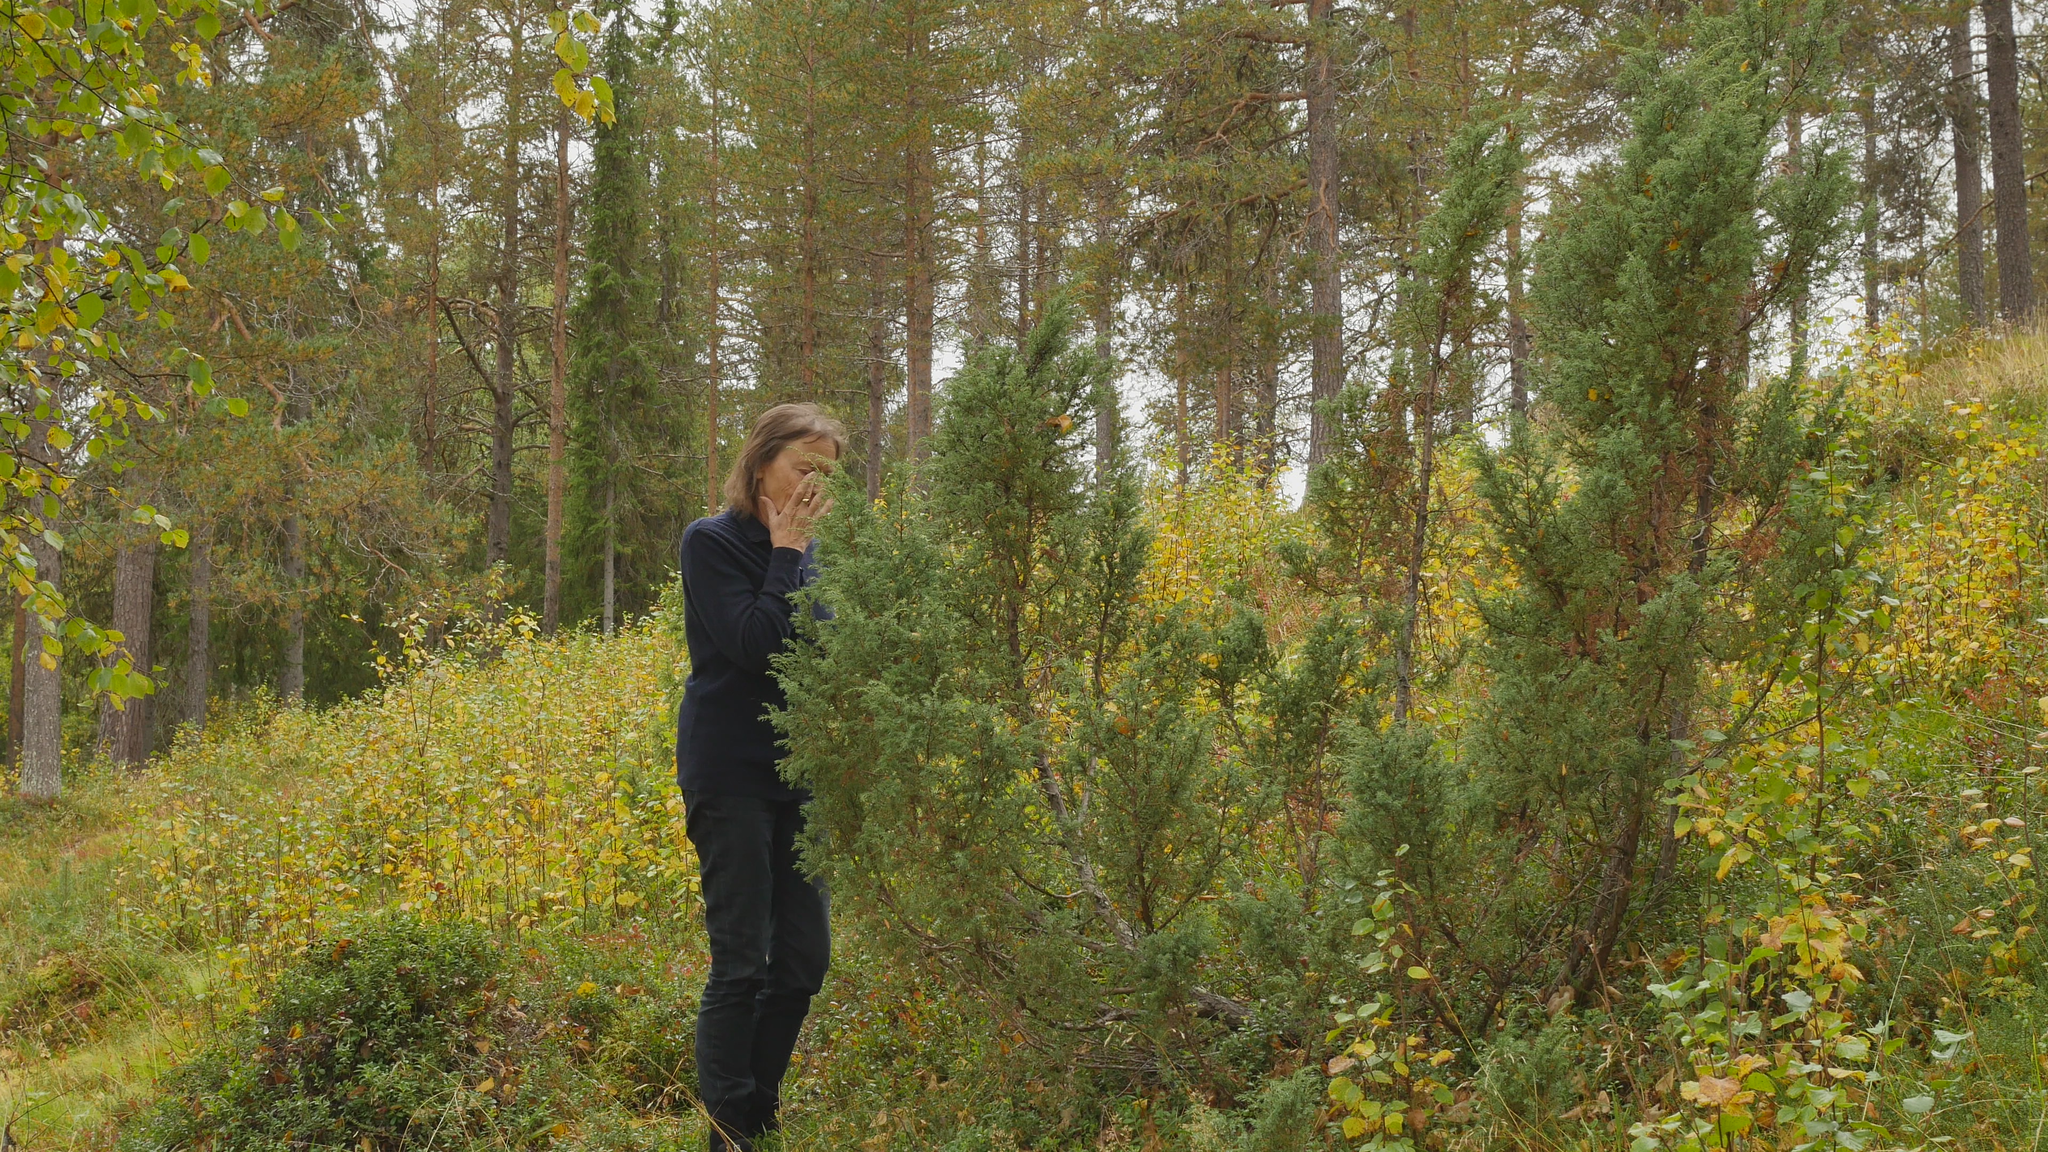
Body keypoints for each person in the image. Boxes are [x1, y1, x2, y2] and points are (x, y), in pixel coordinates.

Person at [675, 403, 844, 1151]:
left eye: (826, 475)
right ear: (759, 464)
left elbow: (827, 654)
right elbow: (755, 645)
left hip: (799, 773)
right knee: (741, 961)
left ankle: (755, 1115)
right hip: (729, 773)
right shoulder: (710, 542)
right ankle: (731, 1135)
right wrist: (785, 552)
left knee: (803, 959)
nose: (814, 487)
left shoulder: (816, 557)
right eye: (804, 468)